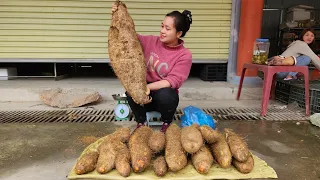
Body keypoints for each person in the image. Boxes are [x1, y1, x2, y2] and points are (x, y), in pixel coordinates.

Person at [111, 4, 193, 132]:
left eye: (167, 28)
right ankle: (141, 123)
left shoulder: (184, 55)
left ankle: (166, 123)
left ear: (179, 33)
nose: (162, 31)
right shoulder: (151, 41)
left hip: (162, 98)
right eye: (162, 26)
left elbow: (172, 81)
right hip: (142, 97)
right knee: (130, 91)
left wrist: (146, 88)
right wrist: (119, 14)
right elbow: (129, 36)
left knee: (167, 94)